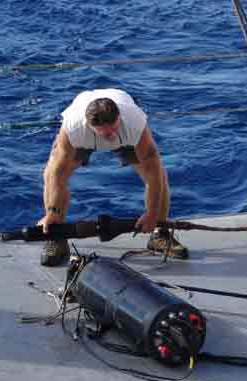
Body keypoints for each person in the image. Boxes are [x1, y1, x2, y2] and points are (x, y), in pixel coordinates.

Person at [38, 88, 189, 266]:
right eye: (105, 133)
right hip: (84, 137)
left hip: (126, 138)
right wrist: (51, 213)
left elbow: (153, 171)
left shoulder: (134, 124)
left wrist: (153, 214)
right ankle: (57, 235)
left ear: (119, 119)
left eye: (113, 129)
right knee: (51, 171)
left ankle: (160, 234)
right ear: (90, 125)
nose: (110, 136)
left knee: (160, 174)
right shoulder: (74, 129)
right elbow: (57, 174)